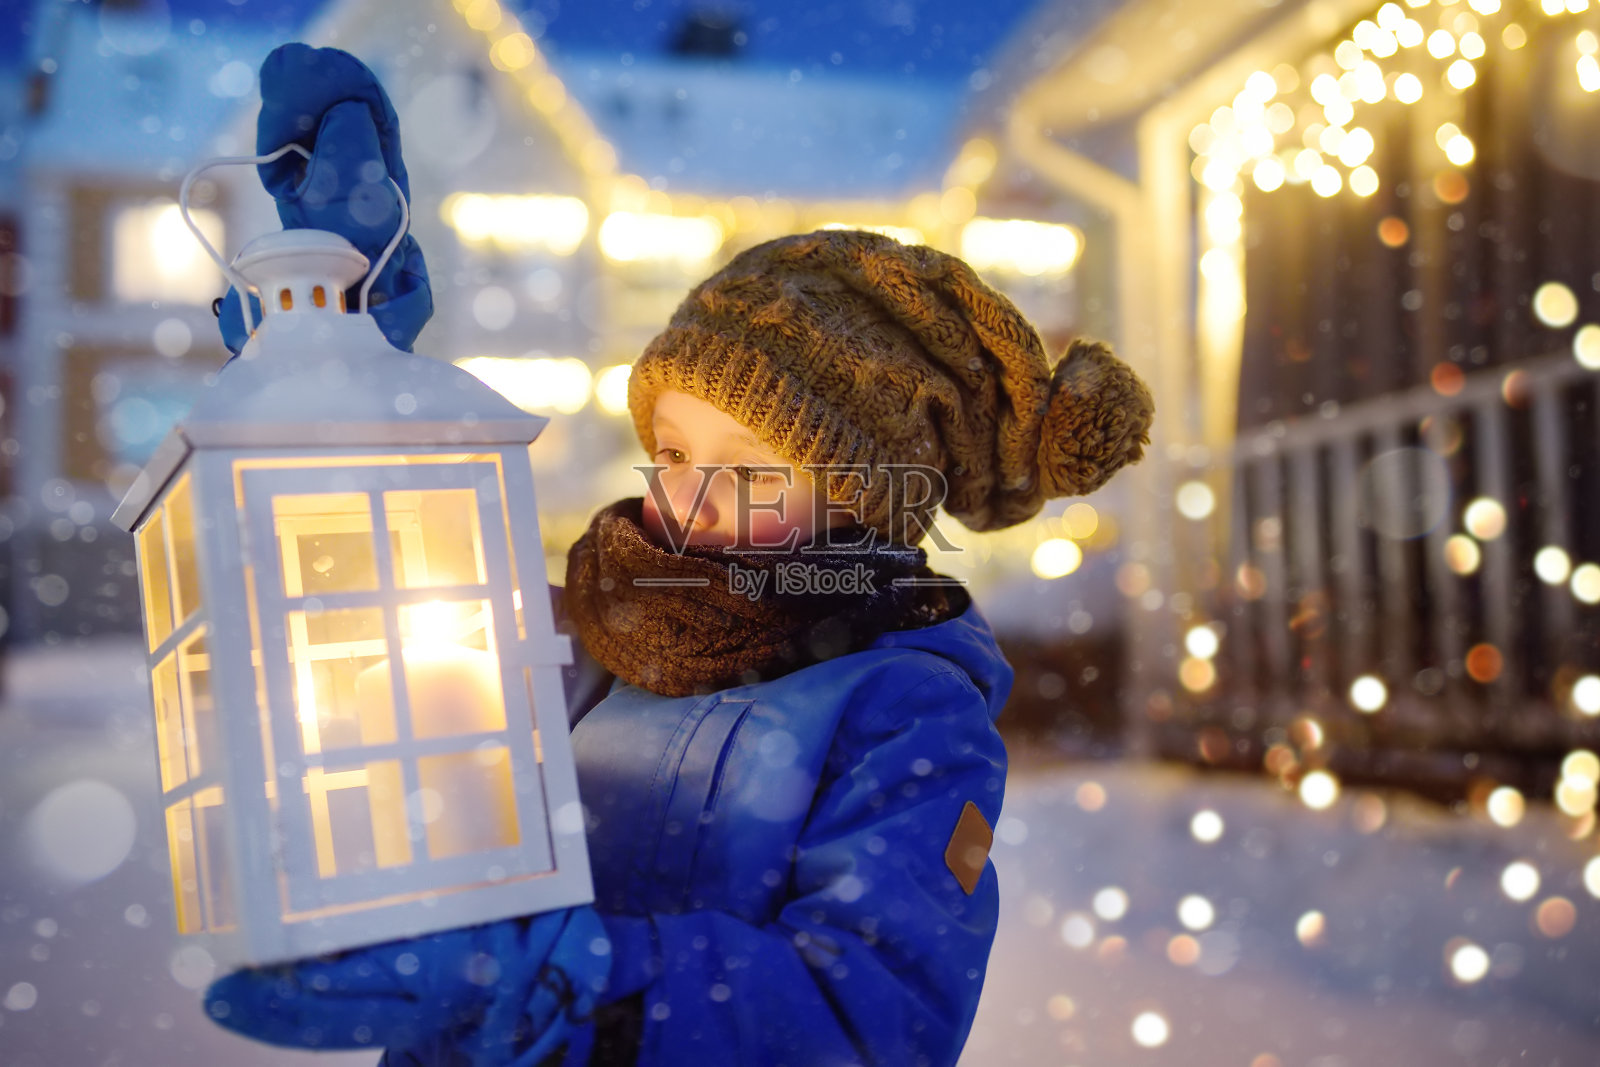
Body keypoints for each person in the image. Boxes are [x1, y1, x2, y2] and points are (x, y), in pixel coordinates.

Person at [201, 44, 1154, 1067]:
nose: (686, 493)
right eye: (671, 450)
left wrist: (556, 985)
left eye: (749, 469)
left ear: (867, 503)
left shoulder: (901, 708)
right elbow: (399, 642)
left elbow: (871, 1012)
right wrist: (342, 353)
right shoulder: (600, 622)